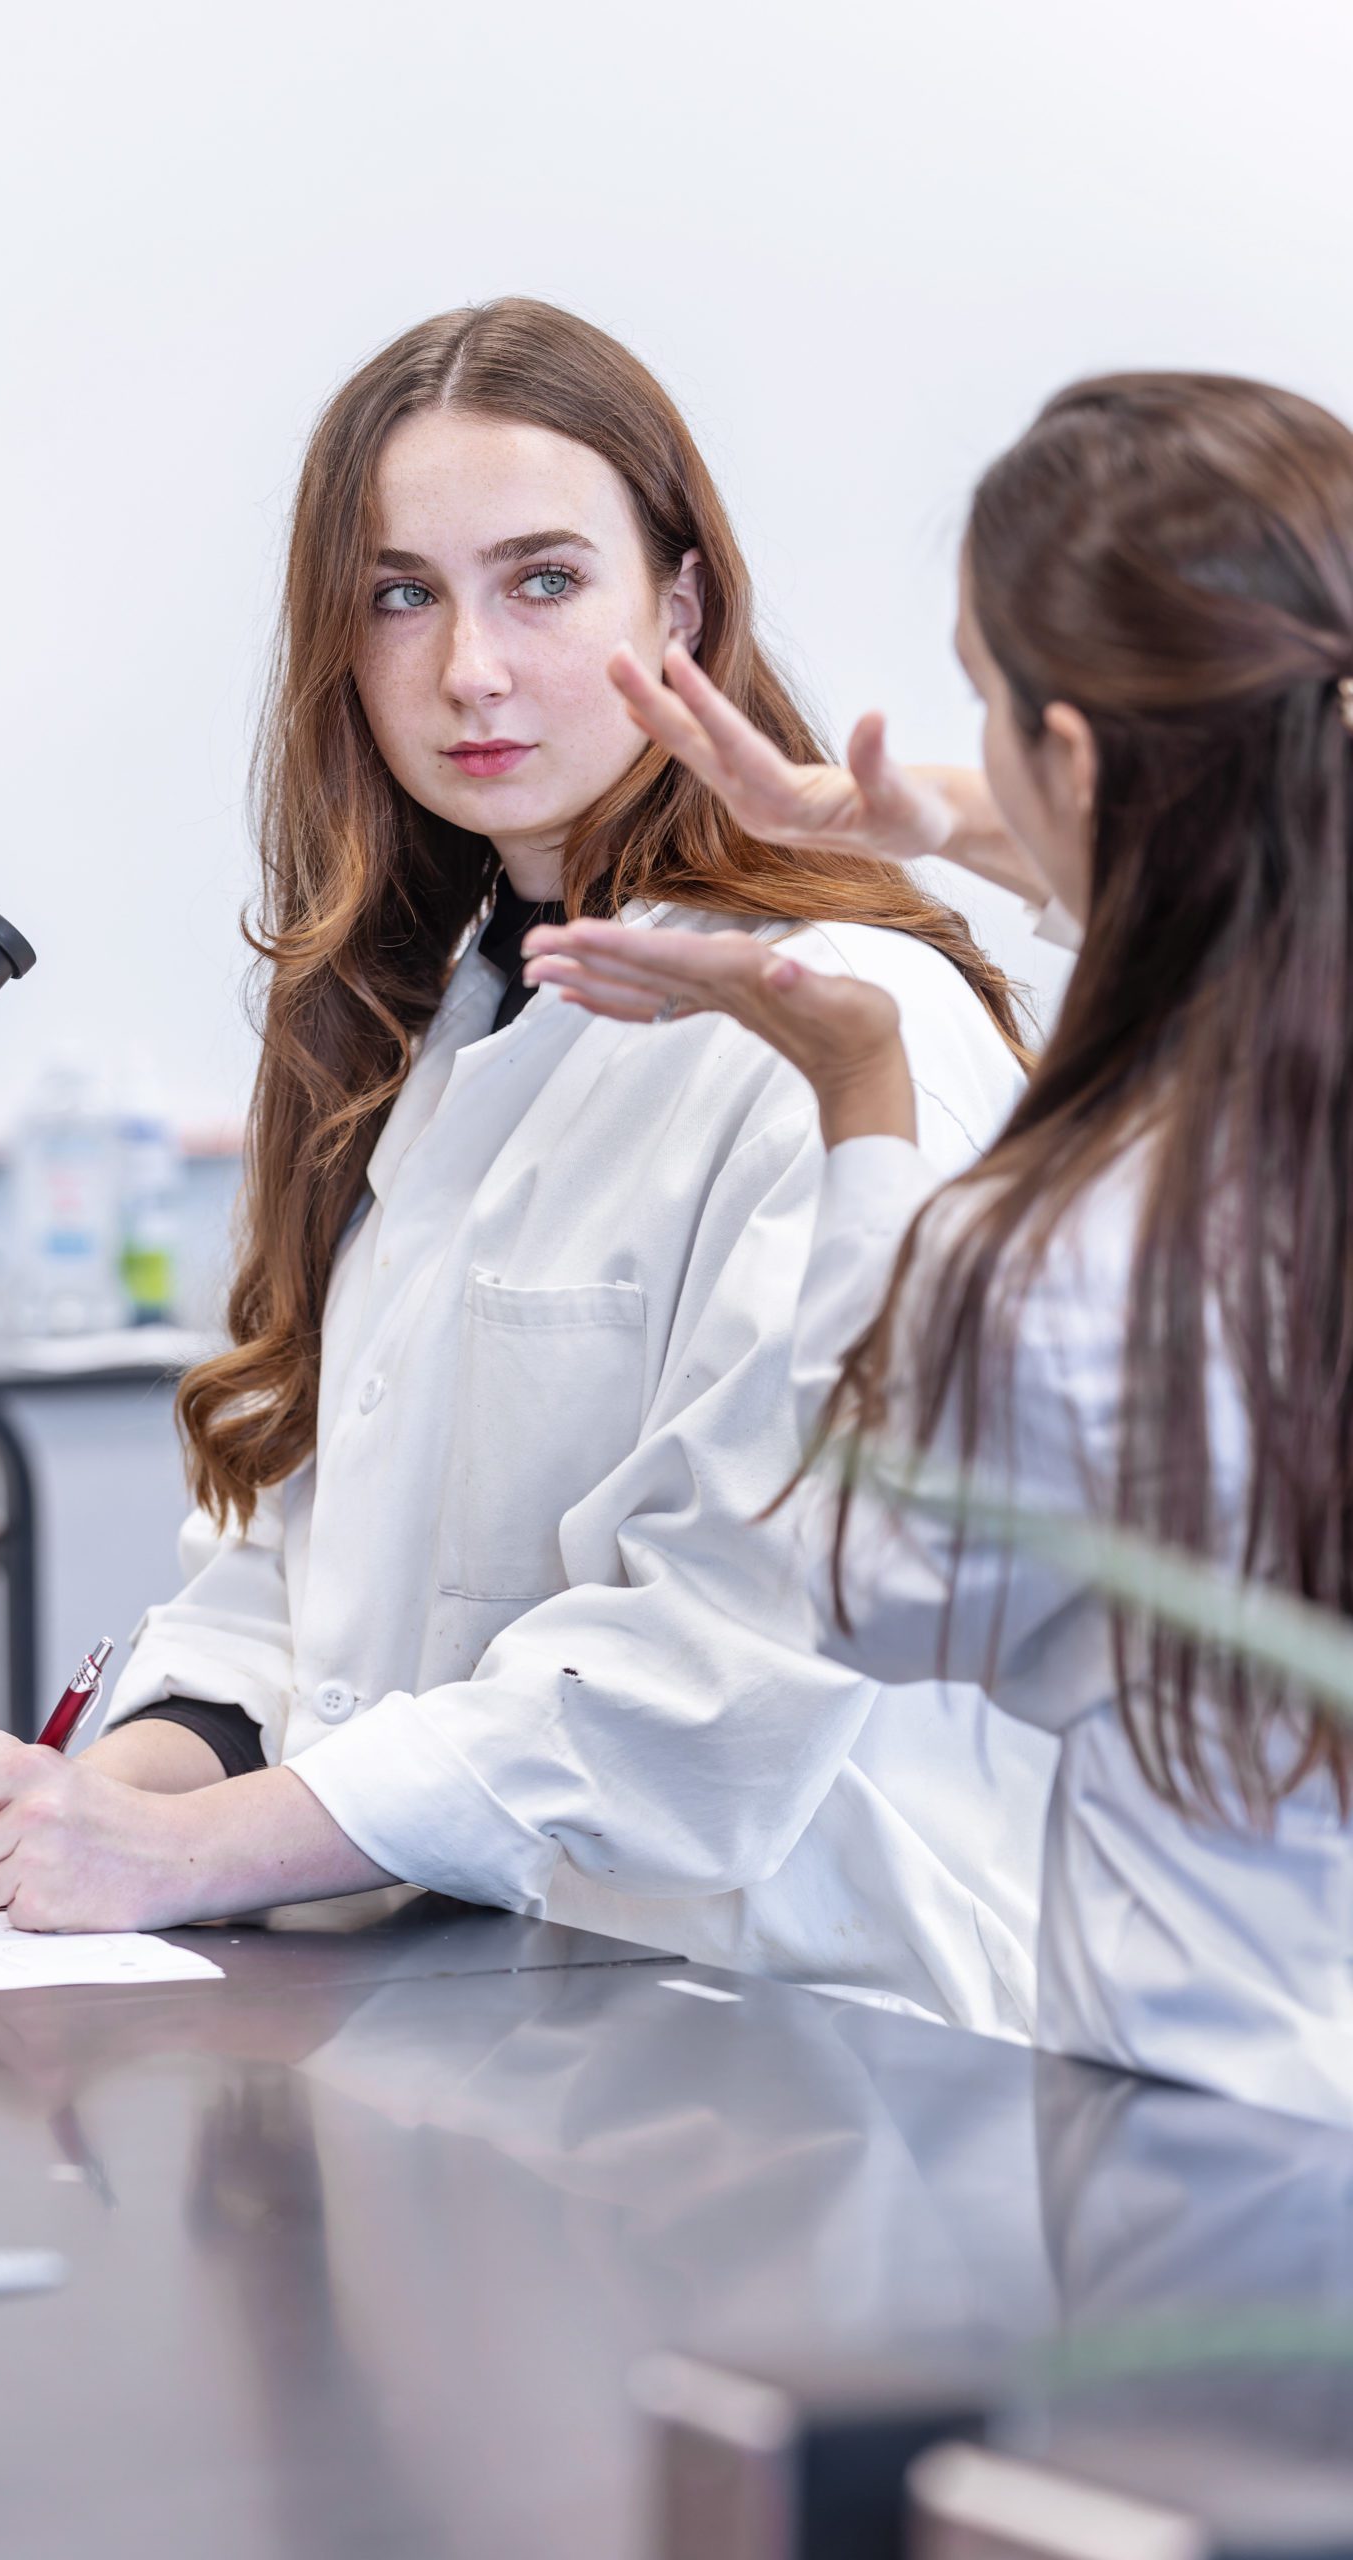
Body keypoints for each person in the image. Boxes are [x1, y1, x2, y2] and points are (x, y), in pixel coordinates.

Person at [0, 298, 1053, 2032]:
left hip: (822, 2047)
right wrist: (99, 1800)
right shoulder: (423, 1033)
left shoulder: (847, 1029)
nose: (470, 670)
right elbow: (294, 1577)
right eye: (401, 596)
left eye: (543, 580)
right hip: (498, 2019)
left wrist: (186, 1855)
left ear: (681, 602)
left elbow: (718, 1673)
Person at [525, 371, 1353, 2122]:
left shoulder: (1090, 1228)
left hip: (1231, 2152)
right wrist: (893, 822)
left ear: (1075, 756)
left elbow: (864, 1584)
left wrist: (862, 1097)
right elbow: (1241, 835)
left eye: (988, 701)